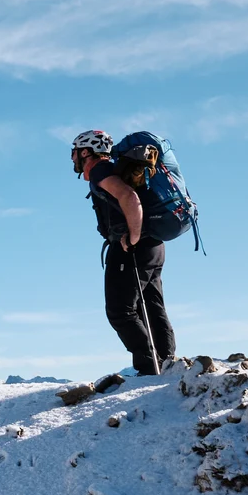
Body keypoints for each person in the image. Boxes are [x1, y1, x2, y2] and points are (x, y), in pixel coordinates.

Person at [71, 129, 175, 375]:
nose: (73, 158)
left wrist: (133, 237)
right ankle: (168, 364)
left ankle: (148, 367)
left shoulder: (101, 170)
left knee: (120, 311)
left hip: (132, 247)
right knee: (151, 306)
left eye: (74, 152)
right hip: (155, 246)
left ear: (85, 152)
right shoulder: (115, 169)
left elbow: (129, 197)